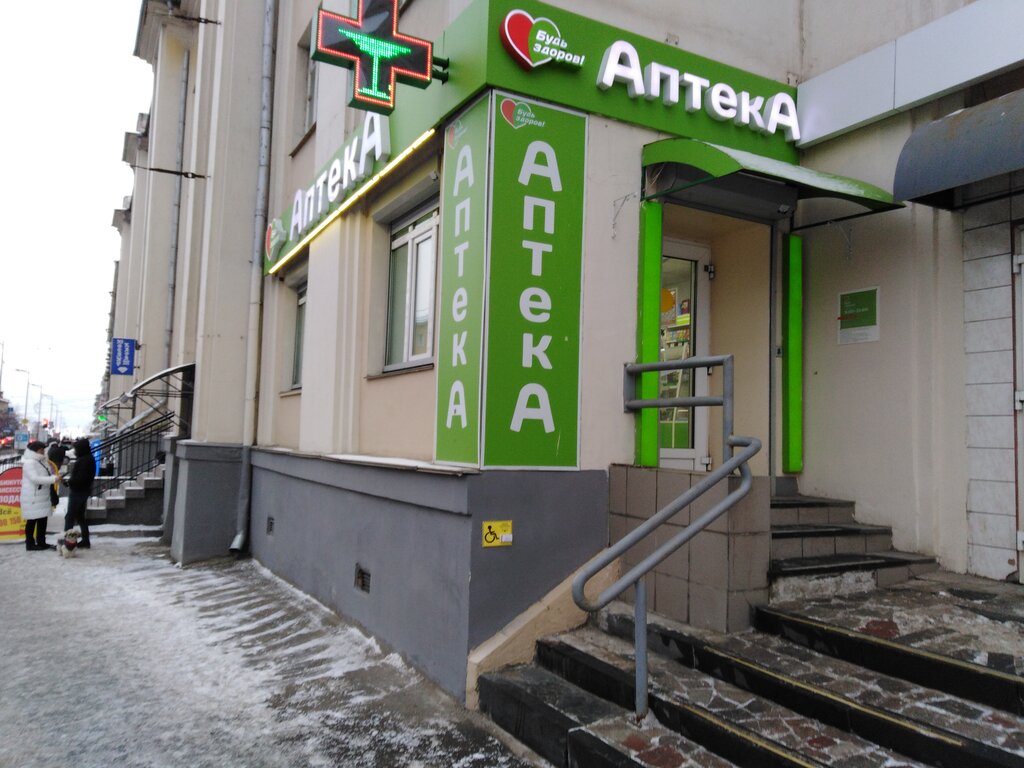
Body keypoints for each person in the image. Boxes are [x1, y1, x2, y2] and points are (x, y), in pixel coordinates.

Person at [20, 440, 56, 550]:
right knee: (32, 520)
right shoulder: (29, 462)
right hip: (33, 497)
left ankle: (41, 542)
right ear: (35, 451)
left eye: (44, 450)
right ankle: (30, 544)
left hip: (42, 496)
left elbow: (46, 475)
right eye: (41, 450)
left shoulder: (42, 461)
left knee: (42, 520)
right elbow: (35, 479)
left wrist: (53, 478)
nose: (43, 452)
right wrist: (53, 479)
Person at [64, 437, 96, 548]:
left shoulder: (84, 460)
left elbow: (81, 478)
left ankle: (68, 542)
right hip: (83, 491)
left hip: (78, 491)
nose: (75, 451)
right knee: (80, 517)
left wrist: (69, 482)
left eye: (76, 449)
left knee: (70, 517)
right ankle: (85, 540)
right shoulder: (88, 458)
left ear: (81, 449)